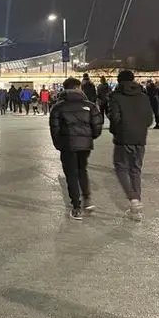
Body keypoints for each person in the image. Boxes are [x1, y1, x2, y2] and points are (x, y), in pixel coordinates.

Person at [50, 76, 103, 220]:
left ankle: (76, 207)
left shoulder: (58, 107)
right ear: (78, 88)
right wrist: (89, 138)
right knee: (82, 170)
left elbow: (54, 129)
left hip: (67, 145)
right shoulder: (90, 105)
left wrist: (58, 145)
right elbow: (98, 126)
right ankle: (87, 200)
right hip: (85, 146)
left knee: (71, 174)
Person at [109, 70, 153, 221]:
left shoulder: (116, 97)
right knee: (135, 170)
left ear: (119, 81)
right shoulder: (144, 97)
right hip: (140, 138)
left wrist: (115, 132)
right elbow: (149, 120)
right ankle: (136, 209)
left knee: (121, 167)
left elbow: (114, 118)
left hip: (123, 138)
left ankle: (133, 199)